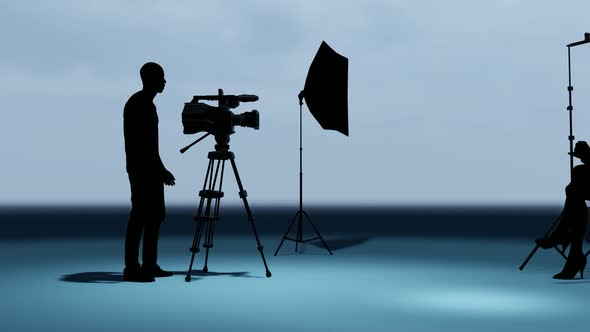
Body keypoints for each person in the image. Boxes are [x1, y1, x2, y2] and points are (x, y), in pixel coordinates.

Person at [123, 62, 176, 282]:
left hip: (149, 168)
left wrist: (159, 169)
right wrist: (161, 169)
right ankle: (132, 268)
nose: (164, 82)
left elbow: (150, 145)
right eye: (161, 77)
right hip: (142, 169)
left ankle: (149, 264)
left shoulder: (145, 104)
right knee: (140, 217)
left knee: (153, 217)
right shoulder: (140, 104)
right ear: (151, 79)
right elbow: (145, 145)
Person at [536, 141, 590, 279]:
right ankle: (574, 255)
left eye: (582, 156)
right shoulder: (580, 170)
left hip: (579, 205)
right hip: (580, 206)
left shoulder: (582, 170)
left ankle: (560, 236)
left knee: (573, 194)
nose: (581, 159)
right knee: (574, 197)